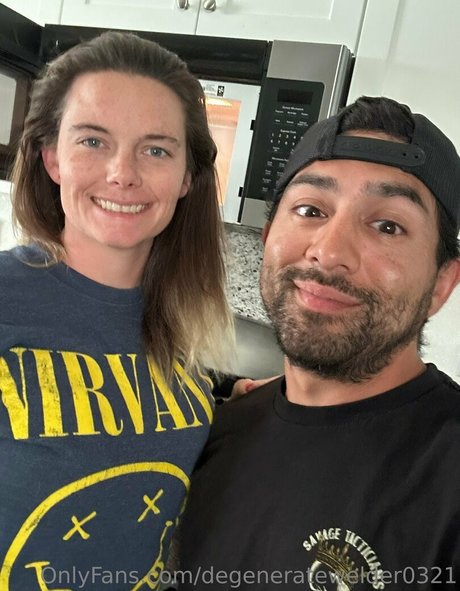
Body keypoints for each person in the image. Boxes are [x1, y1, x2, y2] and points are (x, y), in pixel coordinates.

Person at [178, 96, 460, 590]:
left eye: (388, 225)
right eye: (310, 209)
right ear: (268, 237)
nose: (328, 252)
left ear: (441, 284)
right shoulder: (210, 431)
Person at [0, 31, 234, 590]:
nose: (122, 173)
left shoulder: (186, 320)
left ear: (187, 178)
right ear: (52, 157)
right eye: (93, 141)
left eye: (156, 150)